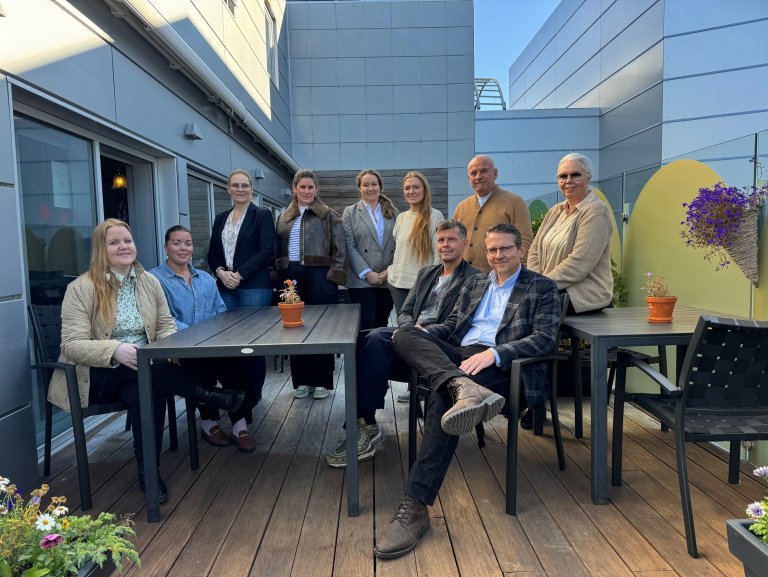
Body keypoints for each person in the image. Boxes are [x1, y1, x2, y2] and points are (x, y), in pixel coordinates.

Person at [374, 223, 560, 560]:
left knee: (442, 394)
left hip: (504, 366)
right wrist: (425, 333)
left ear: (520, 250)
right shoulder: (476, 283)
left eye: (505, 248)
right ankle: (460, 384)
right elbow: (453, 325)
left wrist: (495, 354)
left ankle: (415, 505)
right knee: (404, 334)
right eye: (492, 250)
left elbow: (544, 339)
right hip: (462, 357)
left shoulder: (541, 287)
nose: (498, 255)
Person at [48, 219, 245, 504]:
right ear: (101, 249)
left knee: (148, 386)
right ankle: (209, 395)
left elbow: (165, 326)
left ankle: (148, 473)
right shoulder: (81, 288)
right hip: (96, 377)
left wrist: (167, 350)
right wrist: (116, 350)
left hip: (145, 371)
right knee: (150, 371)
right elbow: (71, 345)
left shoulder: (148, 282)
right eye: (114, 242)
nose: (123, 246)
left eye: (127, 240)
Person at [325, 219, 480, 468]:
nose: (445, 245)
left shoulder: (475, 279)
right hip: (410, 338)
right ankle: (364, 422)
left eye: (452, 239)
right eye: (441, 240)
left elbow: (457, 324)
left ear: (464, 244)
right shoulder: (427, 273)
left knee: (376, 339)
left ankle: (365, 424)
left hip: (440, 349)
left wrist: (420, 333)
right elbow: (406, 310)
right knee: (361, 341)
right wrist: (409, 329)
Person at [150, 225, 265, 452]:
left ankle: (239, 425)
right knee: (197, 361)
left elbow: (220, 312)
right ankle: (209, 422)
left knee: (243, 358)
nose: (183, 248)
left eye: (188, 243)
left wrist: (216, 337)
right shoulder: (154, 279)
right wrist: (199, 336)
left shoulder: (205, 279)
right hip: (179, 346)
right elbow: (162, 319)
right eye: (176, 243)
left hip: (212, 342)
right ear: (166, 247)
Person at [275, 169, 347, 400]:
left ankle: (322, 382)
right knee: (294, 328)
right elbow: (277, 249)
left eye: (310, 187)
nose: (306, 191)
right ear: (295, 189)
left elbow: (340, 250)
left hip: (320, 275)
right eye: (302, 187)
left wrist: (332, 278)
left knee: (322, 327)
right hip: (291, 277)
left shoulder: (329, 215)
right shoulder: (284, 217)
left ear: (316, 190)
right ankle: (302, 382)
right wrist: (278, 276)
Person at [527, 152, 613, 315]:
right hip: (550, 291)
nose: (568, 181)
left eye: (575, 175)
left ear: (589, 177)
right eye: (563, 176)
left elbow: (580, 262)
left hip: (582, 299)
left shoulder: (596, 211)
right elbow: (534, 251)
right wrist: (538, 283)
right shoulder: (555, 211)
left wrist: (543, 286)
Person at [208, 169, 276, 309]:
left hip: (254, 288)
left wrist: (239, 275)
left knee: (253, 324)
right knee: (225, 324)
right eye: (235, 185)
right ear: (228, 188)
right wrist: (221, 274)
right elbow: (212, 253)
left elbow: (266, 251)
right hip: (225, 286)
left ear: (251, 189)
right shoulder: (220, 218)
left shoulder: (263, 215)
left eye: (244, 185)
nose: (240, 189)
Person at [453, 155, 533, 271]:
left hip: (501, 277)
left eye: (484, 171)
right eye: (473, 173)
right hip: (463, 277)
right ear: (468, 178)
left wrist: (521, 275)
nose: (478, 177)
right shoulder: (461, 207)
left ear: (495, 174)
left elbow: (524, 241)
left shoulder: (514, 202)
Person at [342, 169, 399, 331]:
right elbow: (349, 246)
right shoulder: (350, 213)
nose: (370, 188)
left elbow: (400, 246)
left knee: (382, 324)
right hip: (360, 280)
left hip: (386, 278)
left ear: (380, 186)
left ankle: (378, 349)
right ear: (359, 188)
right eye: (365, 185)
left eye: (374, 184)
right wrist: (367, 273)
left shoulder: (394, 213)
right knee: (365, 324)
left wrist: (389, 271)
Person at [387, 171, 444, 315]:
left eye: (416, 187)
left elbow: (439, 254)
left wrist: (434, 283)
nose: (411, 191)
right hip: (398, 285)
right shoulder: (400, 217)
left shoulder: (435, 216)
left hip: (422, 286)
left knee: (420, 326)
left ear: (424, 189)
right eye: (407, 188)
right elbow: (399, 252)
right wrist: (391, 272)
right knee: (403, 325)